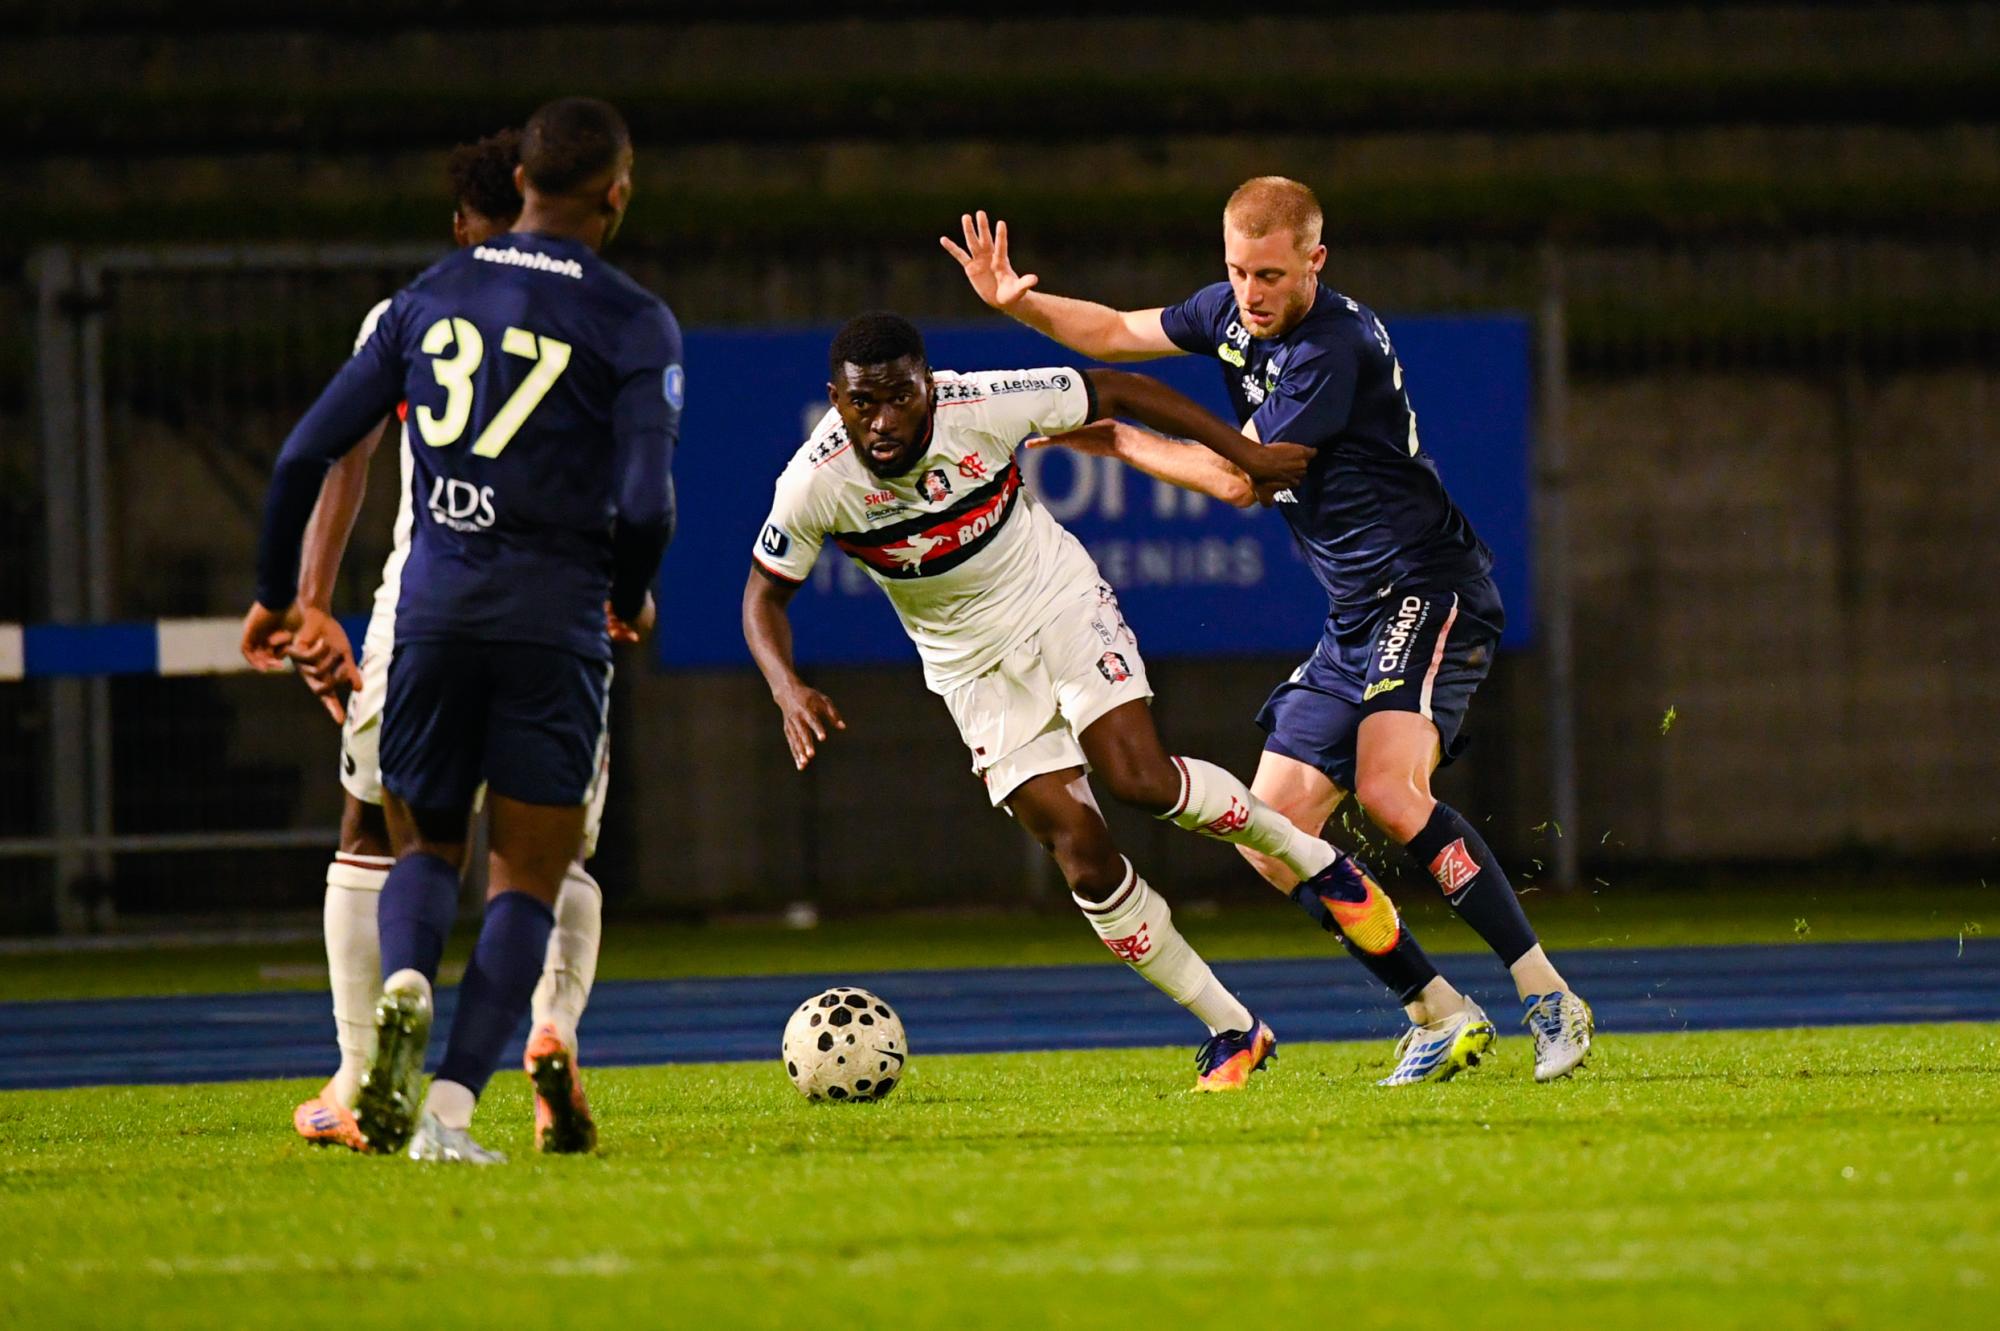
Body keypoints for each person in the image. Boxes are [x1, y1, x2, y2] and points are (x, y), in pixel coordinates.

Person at [942, 184, 1593, 1084]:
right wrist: (1020, 303)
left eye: (1272, 275)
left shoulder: (1332, 346)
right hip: (1356, 612)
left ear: (1316, 263)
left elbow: (1237, 479)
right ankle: (1437, 1010)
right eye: (1239, 272)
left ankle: (1548, 994)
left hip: (1427, 585)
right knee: (1268, 834)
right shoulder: (1232, 309)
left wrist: (1120, 442)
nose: (1250, 292)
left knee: (1390, 792)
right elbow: (1113, 335)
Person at [743, 311, 1394, 1092]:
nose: (880, 422)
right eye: (859, 404)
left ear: (929, 386)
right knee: (1081, 855)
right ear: (835, 399)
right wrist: (787, 687)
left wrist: (1245, 452)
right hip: (970, 670)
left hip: (1055, 599)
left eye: (898, 398)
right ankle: (1234, 1026)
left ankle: (1317, 862)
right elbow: (763, 597)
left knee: (1141, 779)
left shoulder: (984, 403)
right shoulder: (815, 481)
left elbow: (1122, 388)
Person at [242, 96, 680, 1160]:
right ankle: (446, 1113)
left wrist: (280, 594)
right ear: (616, 193)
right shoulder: (631, 319)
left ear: (514, 185)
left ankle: (396, 994)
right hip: (552, 623)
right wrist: (628, 593)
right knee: (531, 874)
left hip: (427, 613)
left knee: (414, 846)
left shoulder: (427, 296)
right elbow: (647, 501)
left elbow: (306, 454)